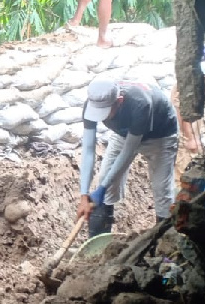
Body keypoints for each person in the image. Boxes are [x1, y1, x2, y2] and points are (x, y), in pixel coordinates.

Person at [77, 76, 180, 236]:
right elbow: (89, 149)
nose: (101, 117)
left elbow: (128, 151)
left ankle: (164, 244)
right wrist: (84, 194)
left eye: (105, 112)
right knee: (106, 179)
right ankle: (98, 243)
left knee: (162, 190)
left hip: (161, 135)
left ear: (119, 101)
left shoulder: (140, 104)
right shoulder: (91, 105)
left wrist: (102, 187)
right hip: (123, 134)